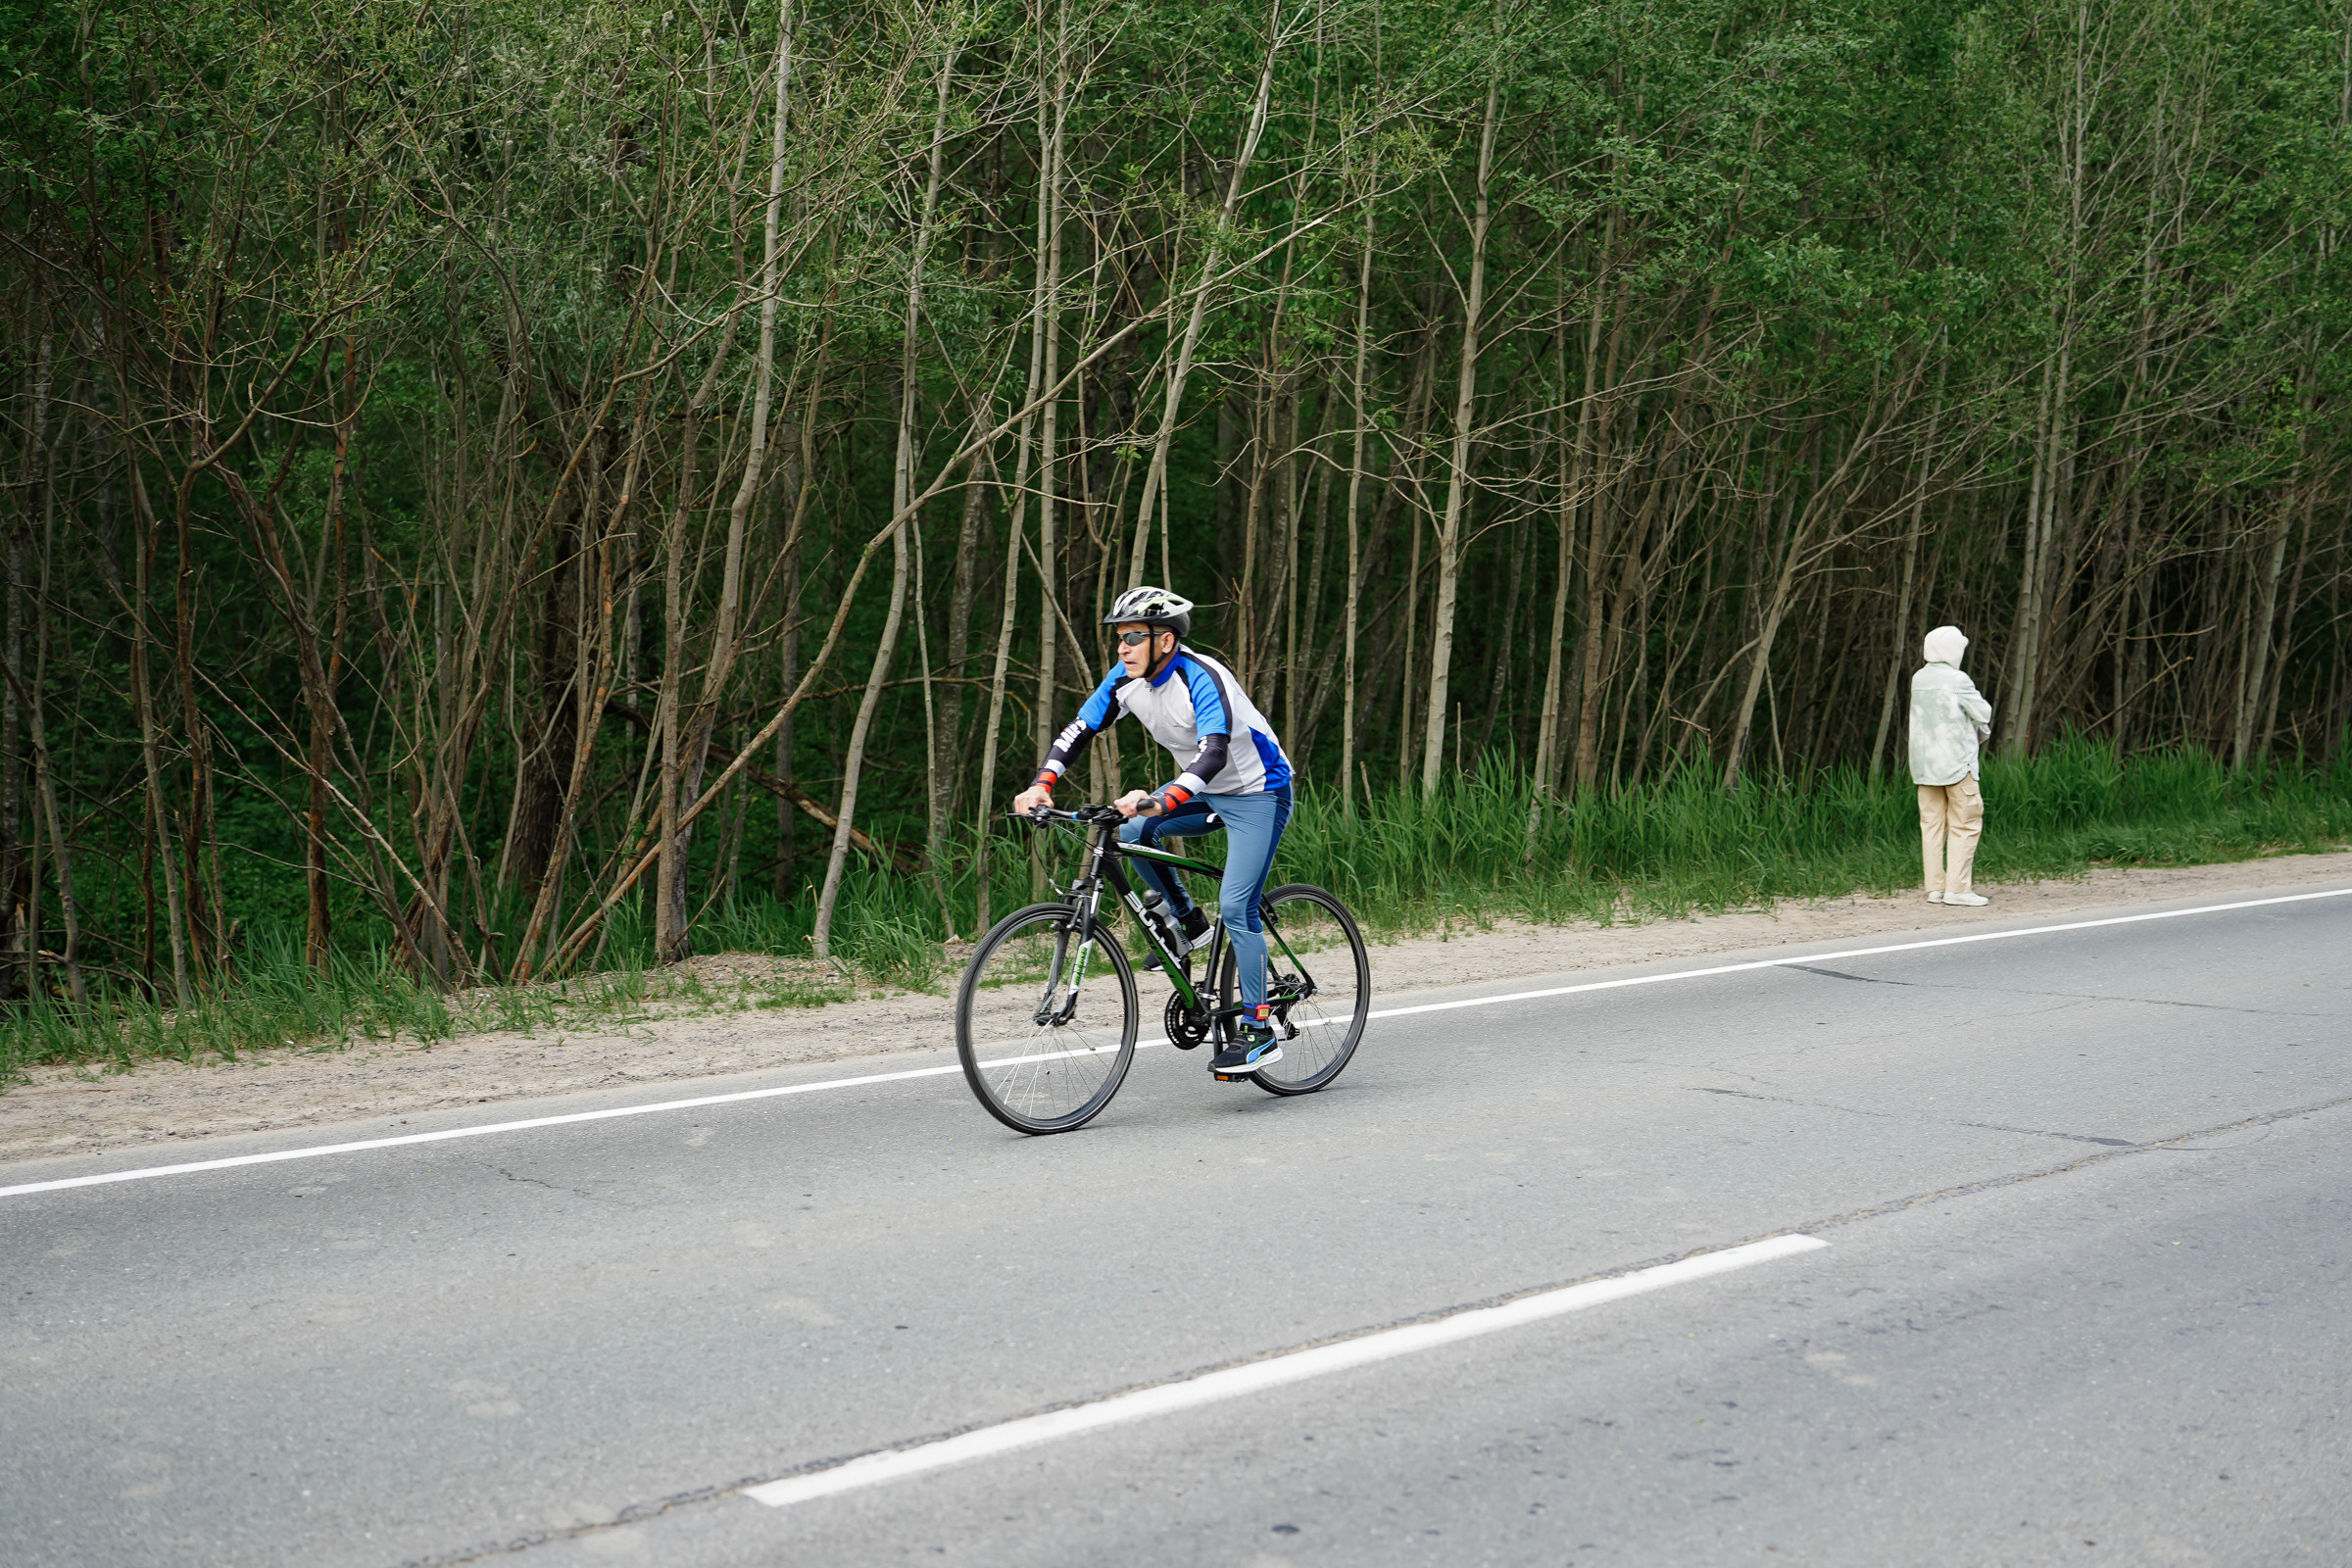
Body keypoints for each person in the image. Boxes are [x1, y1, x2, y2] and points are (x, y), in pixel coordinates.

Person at [1011, 587, 1295, 1077]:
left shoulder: (1201, 677)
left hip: (1258, 793)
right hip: (1203, 792)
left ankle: (1260, 1031)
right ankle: (1189, 924)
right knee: (1134, 830)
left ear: (1165, 640)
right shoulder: (1125, 680)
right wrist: (1042, 783)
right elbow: (1078, 731)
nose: (1122, 649)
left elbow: (1213, 753)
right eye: (1119, 638)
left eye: (1133, 638)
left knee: (1238, 905)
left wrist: (1163, 797)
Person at [1910, 624, 1993, 906]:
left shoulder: (1918, 678)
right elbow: (1983, 713)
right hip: (1957, 765)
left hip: (1924, 766)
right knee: (1966, 823)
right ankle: (1958, 889)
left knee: (1931, 825)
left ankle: (1935, 887)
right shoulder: (1958, 680)